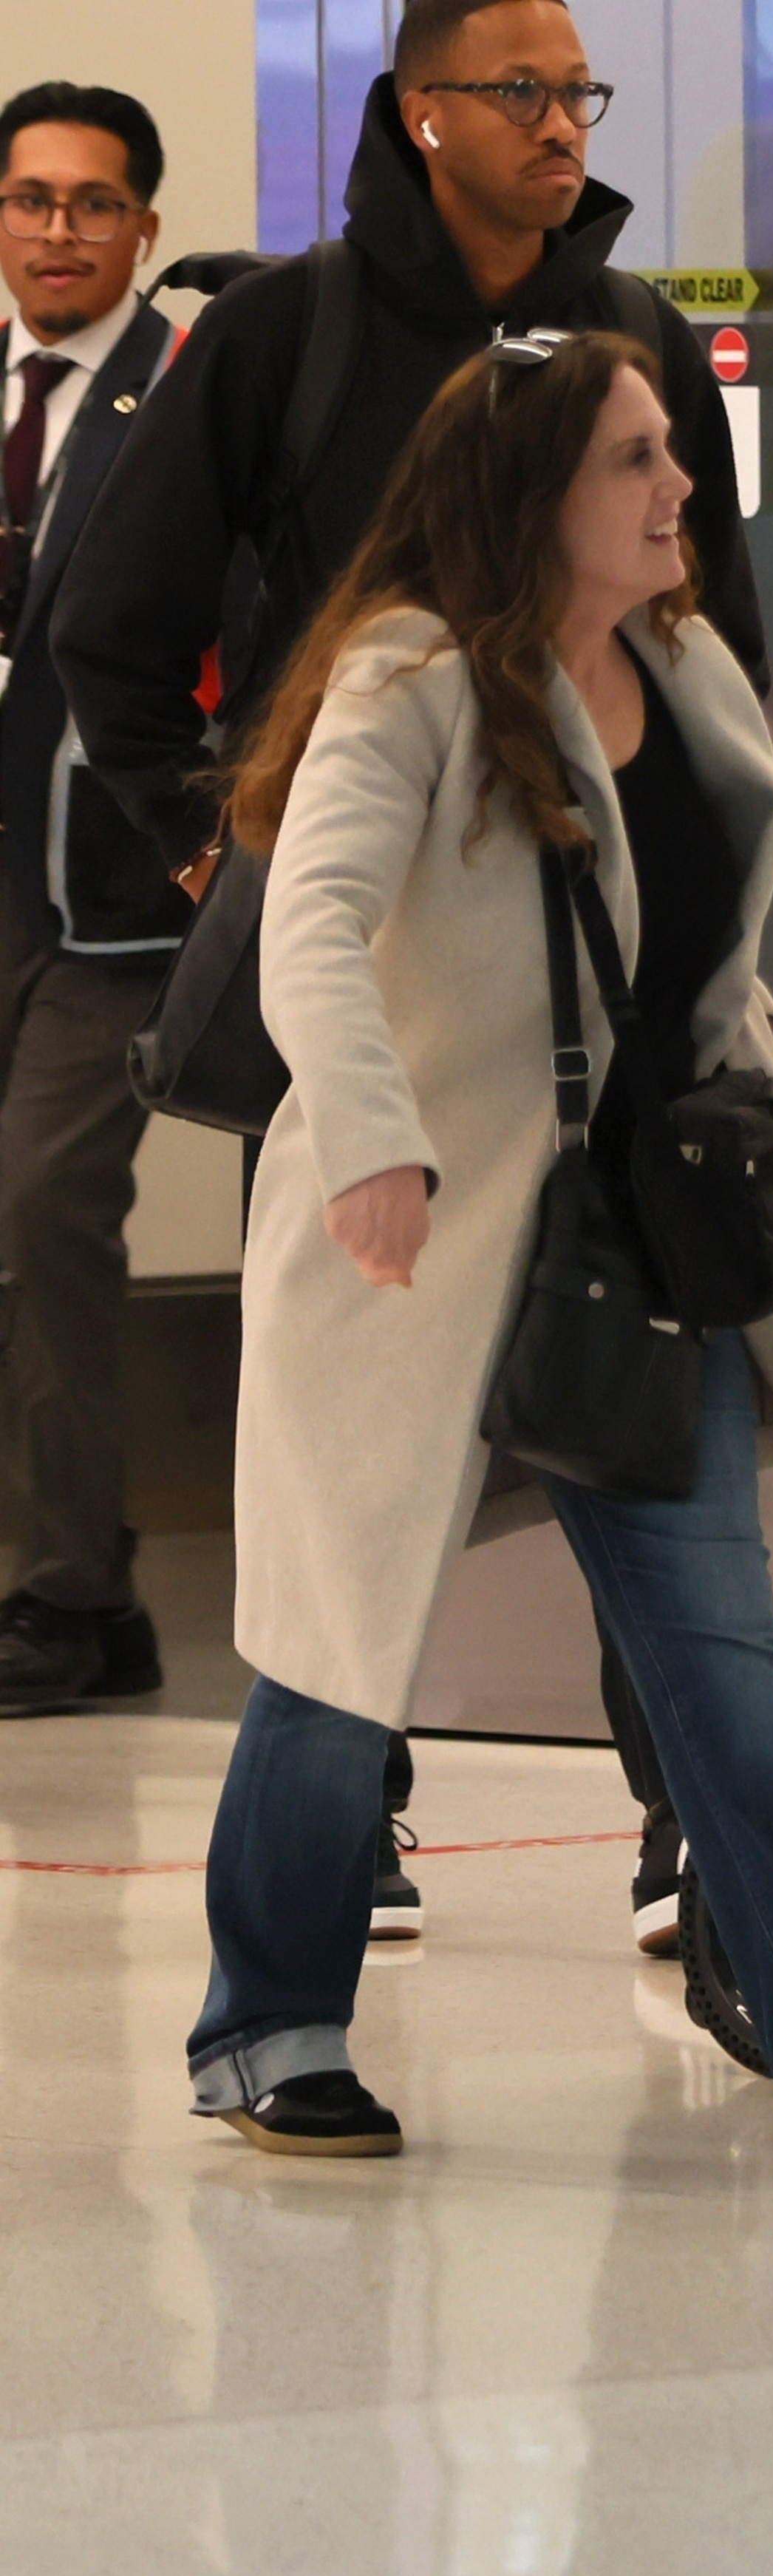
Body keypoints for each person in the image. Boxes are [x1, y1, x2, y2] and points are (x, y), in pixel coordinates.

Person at [186, 330, 773, 2161]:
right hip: (411, 1240)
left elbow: (705, 950)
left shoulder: (686, 666)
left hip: (641, 1236)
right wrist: (374, 1146)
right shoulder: (408, 679)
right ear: (535, 500)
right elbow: (311, 928)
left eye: (671, 453)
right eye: (637, 462)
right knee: (341, 1652)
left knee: (715, 1645)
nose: (678, 490)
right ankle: (266, 2021)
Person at [53, 0, 764, 1934]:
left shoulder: (632, 342)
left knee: (643, 1372)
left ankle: (688, 1821)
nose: (561, 122)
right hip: (367, 986)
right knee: (355, 1423)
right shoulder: (283, 337)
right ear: (417, 113)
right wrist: (228, 842)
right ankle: (340, 1803)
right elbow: (107, 635)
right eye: (520, 91)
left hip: (600, 990)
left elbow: (725, 637)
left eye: (577, 92)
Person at [0, 83, 185, 1715]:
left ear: (140, 225)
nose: (58, 230)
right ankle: (69, 1583)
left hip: (109, 894)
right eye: (31, 199)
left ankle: (68, 1598)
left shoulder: (182, 388)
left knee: (46, 1213)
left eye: (90, 202)